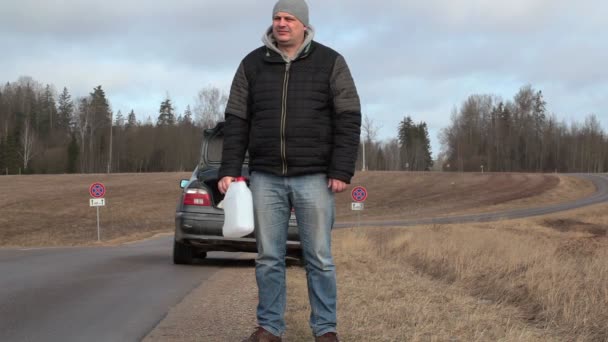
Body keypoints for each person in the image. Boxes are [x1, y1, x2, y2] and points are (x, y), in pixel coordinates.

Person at [218, 0, 361, 341]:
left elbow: (349, 117)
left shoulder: (331, 62)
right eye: (277, 18)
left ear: (304, 25)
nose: (282, 24)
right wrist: (229, 168)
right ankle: (269, 327)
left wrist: (341, 169)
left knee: (319, 258)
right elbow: (236, 120)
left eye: (289, 18)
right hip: (265, 176)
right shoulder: (252, 64)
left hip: (315, 175)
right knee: (269, 257)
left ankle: (325, 329)